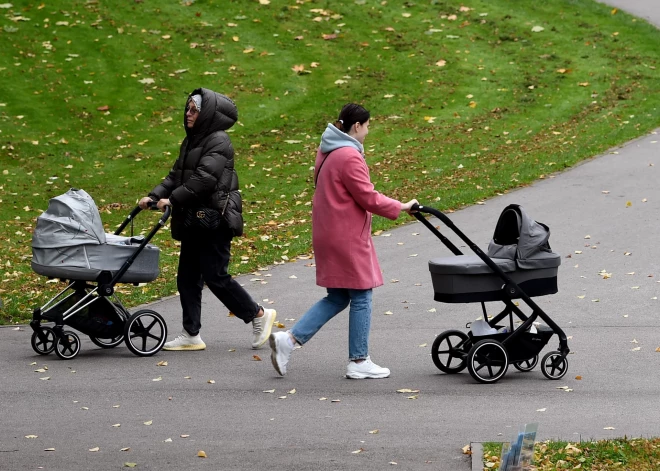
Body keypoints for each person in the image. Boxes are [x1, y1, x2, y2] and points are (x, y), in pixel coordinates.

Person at [269, 103, 418, 379]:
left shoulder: (327, 151)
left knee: (337, 296)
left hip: (328, 232)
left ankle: (288, 341)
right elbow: (368, 197)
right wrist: (402, 206)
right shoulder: (349, 156)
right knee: (362, 294)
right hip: (346, 236)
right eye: (368, 126)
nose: (368, 131)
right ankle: (359, 360)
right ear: (357, 126)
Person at [138, 88, 276, 351]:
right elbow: (175, 175)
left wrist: (173, 200)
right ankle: (191, 334)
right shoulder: (192, 140)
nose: (188, 114)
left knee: (215, 276)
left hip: (215, 219)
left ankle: (259, 315)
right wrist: (153, 195)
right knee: (187, 278)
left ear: (207, 114)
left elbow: (204, 179)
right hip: (194, 221)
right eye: (187, 109)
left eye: (194, 110)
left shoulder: (218, 141)